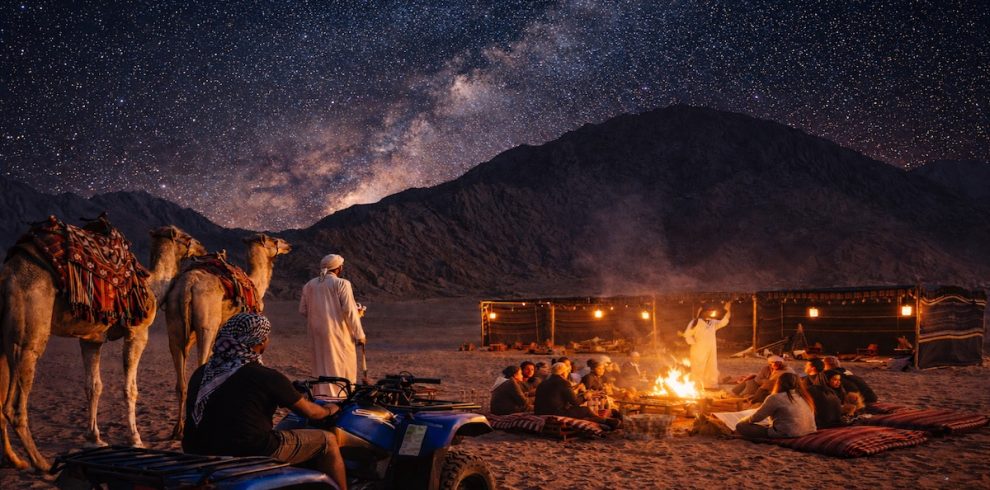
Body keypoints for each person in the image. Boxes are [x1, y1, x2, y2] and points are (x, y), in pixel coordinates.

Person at [183, 313, 347, 490]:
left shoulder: (202, 372)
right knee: (328, 440)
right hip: (249, 449)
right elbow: (312, 413)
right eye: (266, 337)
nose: (267, 341)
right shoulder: (266, 376)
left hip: (196, 447)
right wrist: (331, 409)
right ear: (259, 342)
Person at [299, 254, 367, 396]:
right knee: (341, 363)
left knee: (321, 363)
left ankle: (322, 394)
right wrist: (359, 335)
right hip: (338, 333)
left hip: (316, 333)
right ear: (338, 268)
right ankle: (340, 395)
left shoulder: (309, 285)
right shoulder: (342, 283)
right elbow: (349, 311)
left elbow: (303, 310)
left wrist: (320, 318)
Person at [535, 362, 619, 429]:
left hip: (540, 412)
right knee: (585, 410)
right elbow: (575, 402)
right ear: (563, 373)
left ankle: (604, 422)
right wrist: (585, 396)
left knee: (581, 412)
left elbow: (558, 396)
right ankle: (605, 421)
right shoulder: (563, 382)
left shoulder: (543, 383)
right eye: (567, 372)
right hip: (555, 412)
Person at [735, 373, 816, 440]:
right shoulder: (804, 396)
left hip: (787, 433)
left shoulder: (775, 397)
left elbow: (757, 417)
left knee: (741, 426)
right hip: (808, 430)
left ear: (779, 383)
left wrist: (744, 420)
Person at [682, 301, 732, 389]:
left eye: (711, 311)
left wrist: (728, 309)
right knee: (698, 367)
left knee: (711, 366)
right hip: (699, 349)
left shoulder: (713, 323)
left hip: (711, 349)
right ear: (703, 312)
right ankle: (696, 385)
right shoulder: (695, 322)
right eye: (708, 311)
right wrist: (694, 343)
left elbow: (724, 321)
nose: (710, 313)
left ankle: (710, 384)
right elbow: (687, 335)